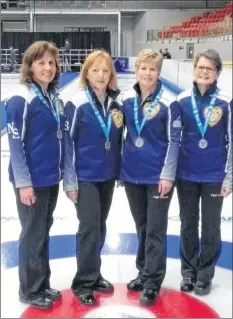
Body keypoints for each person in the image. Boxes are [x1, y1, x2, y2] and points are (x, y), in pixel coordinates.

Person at [5, 41, 65, 309]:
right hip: (31, 181)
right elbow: (15, 144)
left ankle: (41, 283)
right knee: (32, 234)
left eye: (51, 63)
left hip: (50, 178)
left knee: (43, 232)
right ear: (29, 66)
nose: (48, 68)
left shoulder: (52, 96)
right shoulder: (22, 97)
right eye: (41, 63)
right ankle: (29, 290)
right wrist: (23, 183)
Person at [63, 50, 123, 305]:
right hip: (84, 176)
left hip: (107, 176)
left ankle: (94, 273)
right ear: (86, 73)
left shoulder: (116, 105)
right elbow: (67, 143)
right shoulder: (76, 103)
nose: (100, 75)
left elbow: (119, 139)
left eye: (105, 70)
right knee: (89, 227)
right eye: (95, 70)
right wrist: (70, 180)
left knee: (100, 226)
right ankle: (83, 282)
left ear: (111, 75)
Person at [170, 49, 232, 296]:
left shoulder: (226, 101)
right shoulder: (182, 99)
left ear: (217, 72)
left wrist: (229, 176)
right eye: (200, 67)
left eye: (209, 68)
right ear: (194, 70)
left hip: (214, 176)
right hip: (186, 175)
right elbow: (174, 139)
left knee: (211, 227)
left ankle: (204, 275)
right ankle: (188, 272)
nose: (204, 72)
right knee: (187, 224)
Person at [120, 49, 179, 305]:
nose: (147, 73)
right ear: (136, 70)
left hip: (158, 177)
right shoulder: (125, 100)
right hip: (132, 175)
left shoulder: (168, 102)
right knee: (142, 227)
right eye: (143, 68)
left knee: (155, 229)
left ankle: (153, 281)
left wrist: (167, 175)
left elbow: (174, 142)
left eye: (153, 69)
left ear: (159, 73)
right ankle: (143, 271)